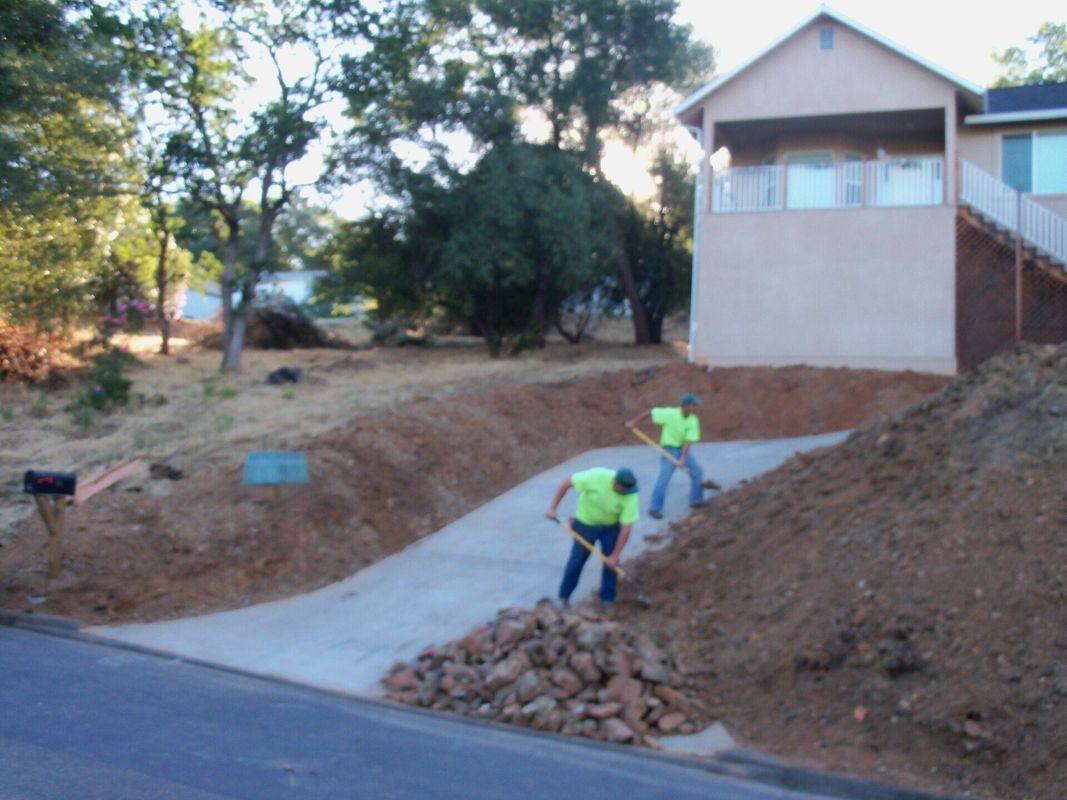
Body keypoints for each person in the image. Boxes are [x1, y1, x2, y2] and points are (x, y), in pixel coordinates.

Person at [545, 467, 639, 610]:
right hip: (585, 524)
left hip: (610, 527)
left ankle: (607, 600)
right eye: (624, 490)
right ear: (616, 484)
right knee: (577, 559)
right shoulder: (597, 476)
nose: (627, 493)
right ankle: (564, 597)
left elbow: (626, 529)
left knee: (610, 563)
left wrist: (615, 555)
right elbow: (566, 483)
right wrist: (552, 508)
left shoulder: (630, 495)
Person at [626, 392, 720, 519]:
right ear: (686, 406)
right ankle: (655, 508)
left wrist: (682, 458)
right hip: (669, 450)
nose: (695, 408)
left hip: (681, 449)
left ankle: (696, 501)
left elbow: (688, 441)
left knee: (697, 472)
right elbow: (651, 412)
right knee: (664, 479)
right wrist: (634, 422)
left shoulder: (693, 420)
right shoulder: (670, 414)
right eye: (693, 405)